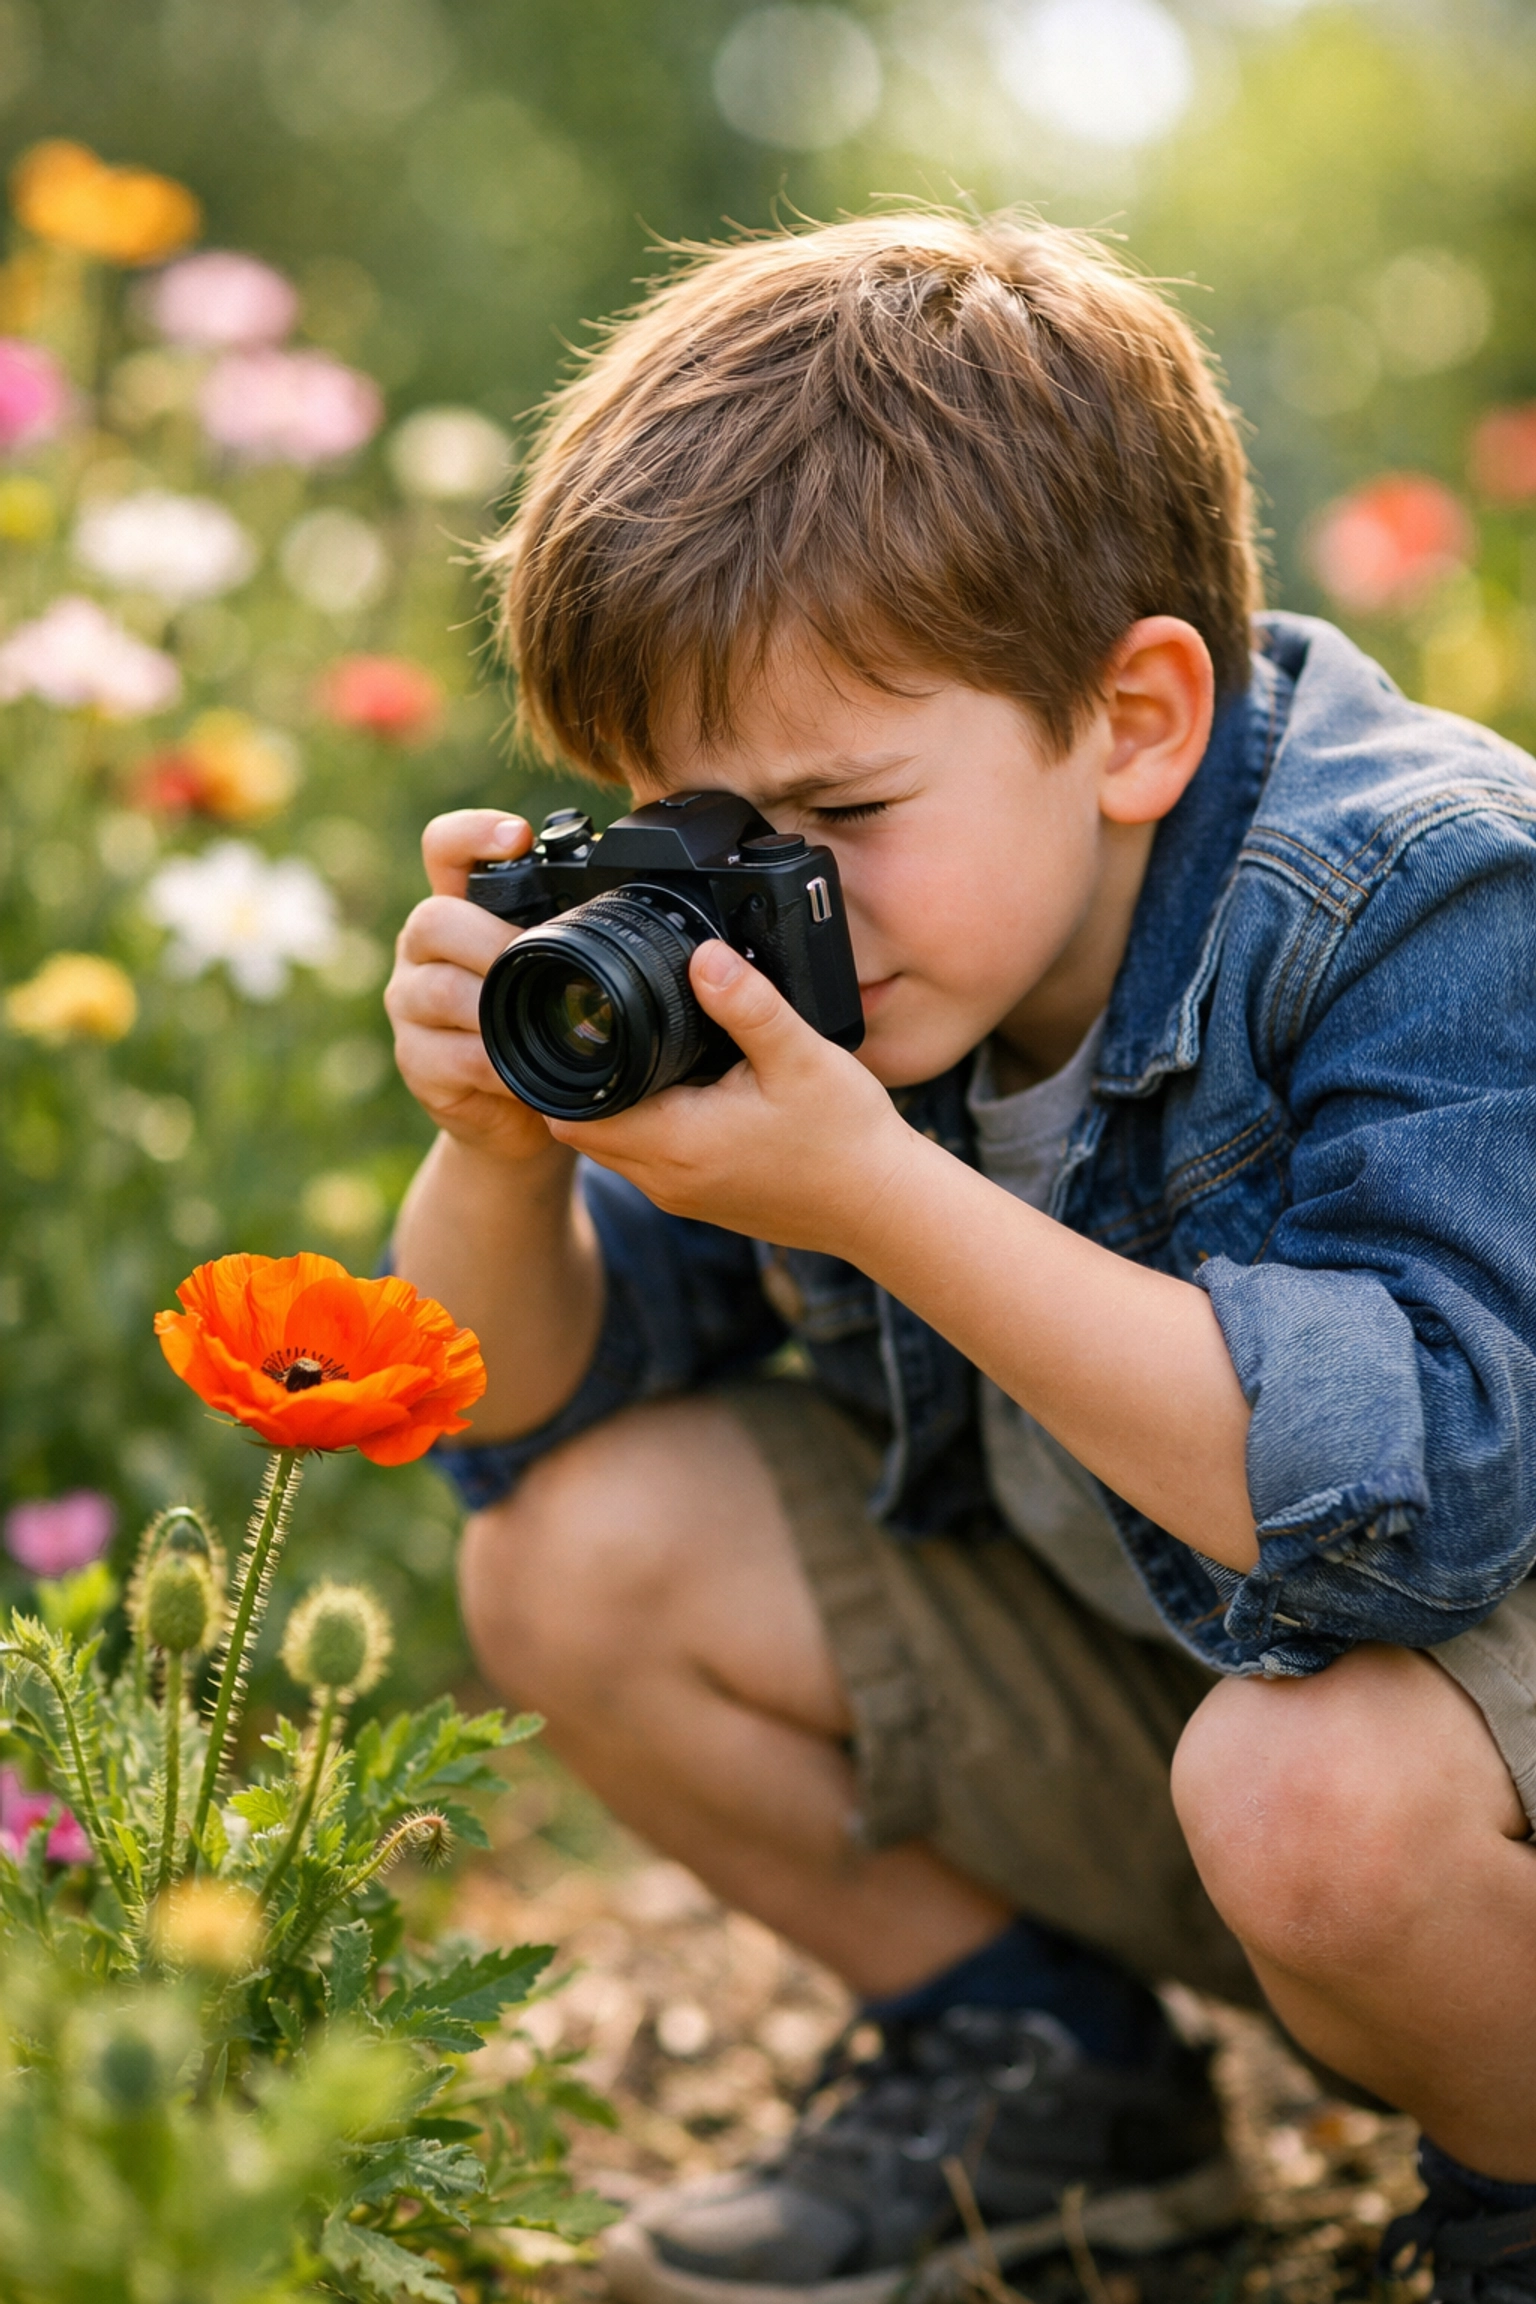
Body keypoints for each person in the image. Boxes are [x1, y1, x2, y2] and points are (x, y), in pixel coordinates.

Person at [385, 214, 1536, 2304]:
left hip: (1428, 1758)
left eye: (836, 810)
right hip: (1198, 1725)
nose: (764, 891)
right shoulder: (874, 961)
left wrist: (878, 1197)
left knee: (1313, 1794)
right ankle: (1050, 2081)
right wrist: (497, 1152)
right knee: (574, 1547)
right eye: (698, 824)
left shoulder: (1417, 899)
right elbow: (506, 1408)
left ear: (1132, 721)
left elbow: (1416, 1514)